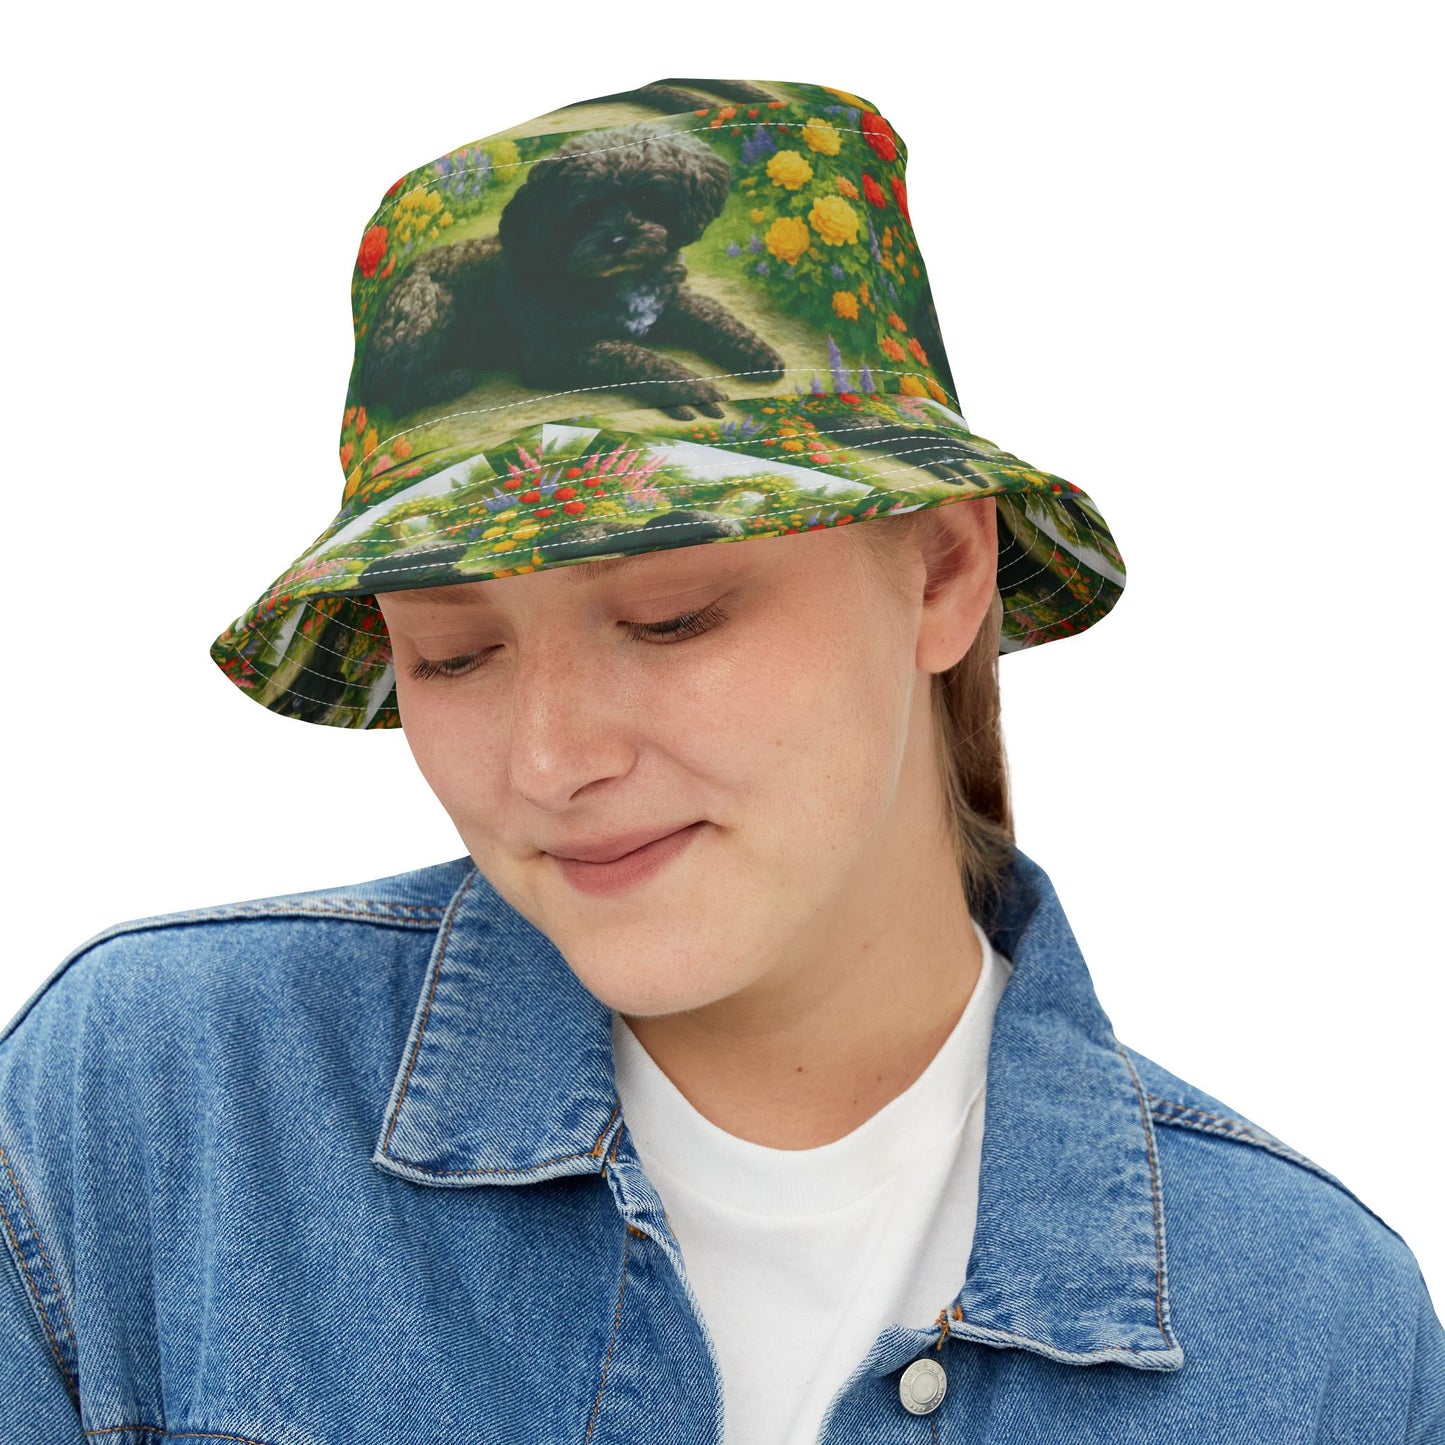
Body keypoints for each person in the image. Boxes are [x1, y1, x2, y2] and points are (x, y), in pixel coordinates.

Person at [1, 76, 1439, 1444]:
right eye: (453, 653)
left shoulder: (1311, 1333)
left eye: (671, 618)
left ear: (943, 573)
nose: (551, 760)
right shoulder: (152, 1112)